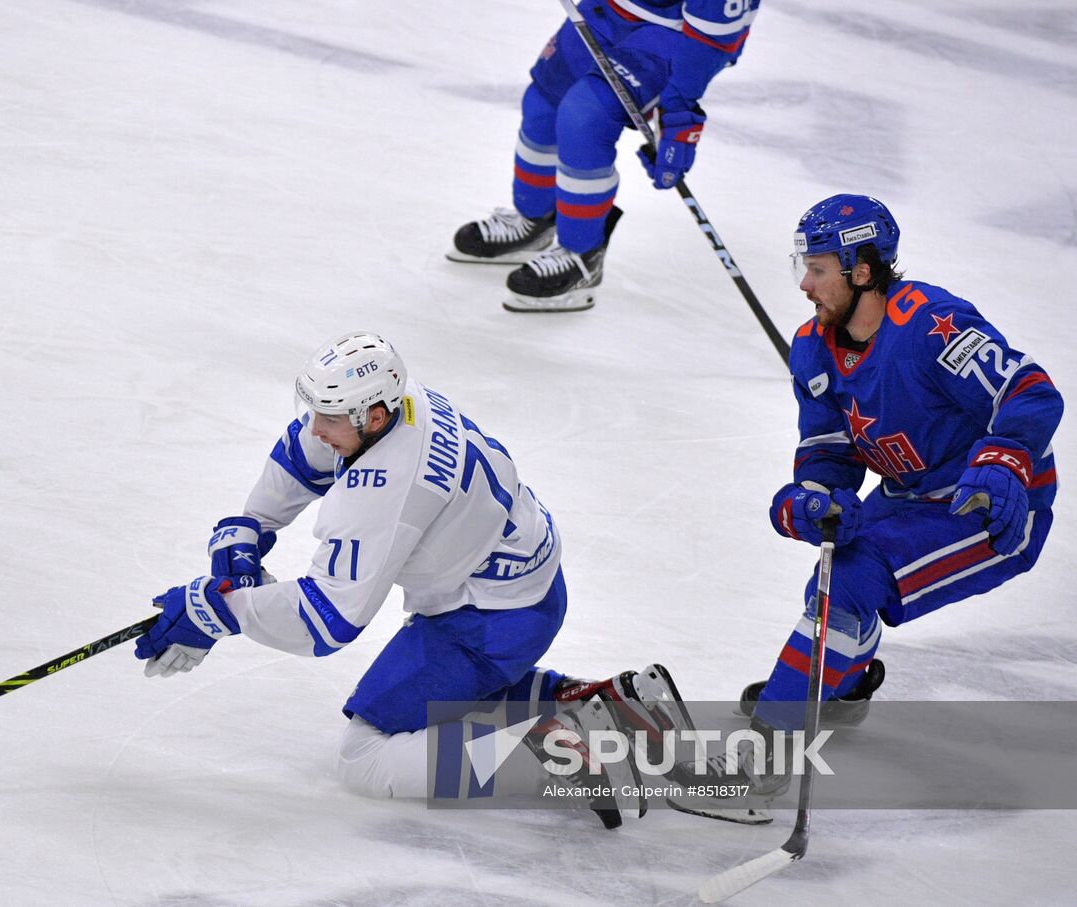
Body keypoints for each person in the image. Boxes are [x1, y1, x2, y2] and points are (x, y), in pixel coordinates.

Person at [133, 330, 693, 827]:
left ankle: (568, 748)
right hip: (521, 585)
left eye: (328, 417)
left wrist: (219, 613)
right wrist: (250, 526)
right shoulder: (398, 401)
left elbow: (328, 621)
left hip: (491, 619)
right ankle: (602, 705)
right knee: (440, 703)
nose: (315, 427)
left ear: (371, 417)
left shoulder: (385, 490)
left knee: (365, 758)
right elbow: (306, 454)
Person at [676, 195, 1063, 816]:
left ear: (862, 269)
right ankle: (843, 686)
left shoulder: (931, 325)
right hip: (908, 496)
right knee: (829, 579)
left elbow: (1029, 389)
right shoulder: (813, 347)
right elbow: (828, 452)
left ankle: (767, 757)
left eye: (819, 268)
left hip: (985, 505)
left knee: (853, 580)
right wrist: (814, 499)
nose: (804, 284)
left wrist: (1002, 464)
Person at [446, 0, 761, 312]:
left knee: (584, 118)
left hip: (671, 35)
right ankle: (533, 220)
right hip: (608, 8)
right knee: (542, 105)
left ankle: (582, 255)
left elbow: (711, 41)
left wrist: (678, 115)